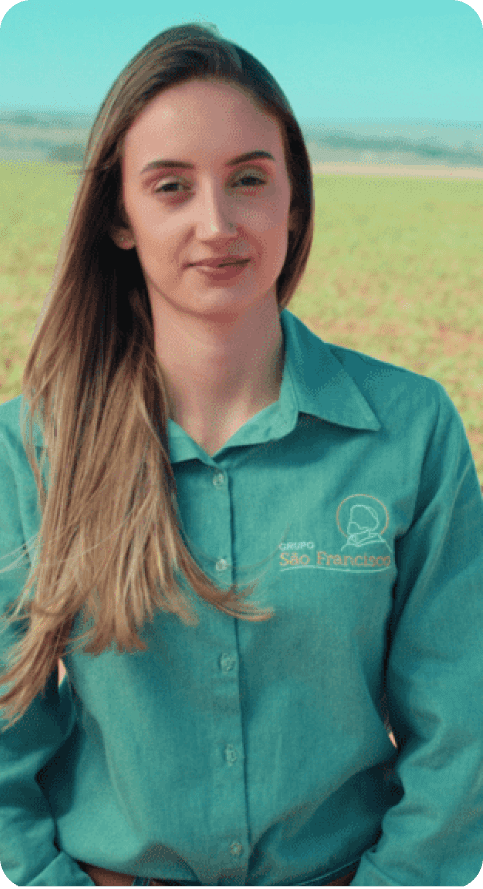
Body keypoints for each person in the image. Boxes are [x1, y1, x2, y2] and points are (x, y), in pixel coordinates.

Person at [0, 21, 482, 889]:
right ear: (119, 214)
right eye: (172, 186)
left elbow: (464, 727)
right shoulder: (27, 448)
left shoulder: (412, 428)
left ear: (293, 201)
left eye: (249, 179)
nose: (216, 223)